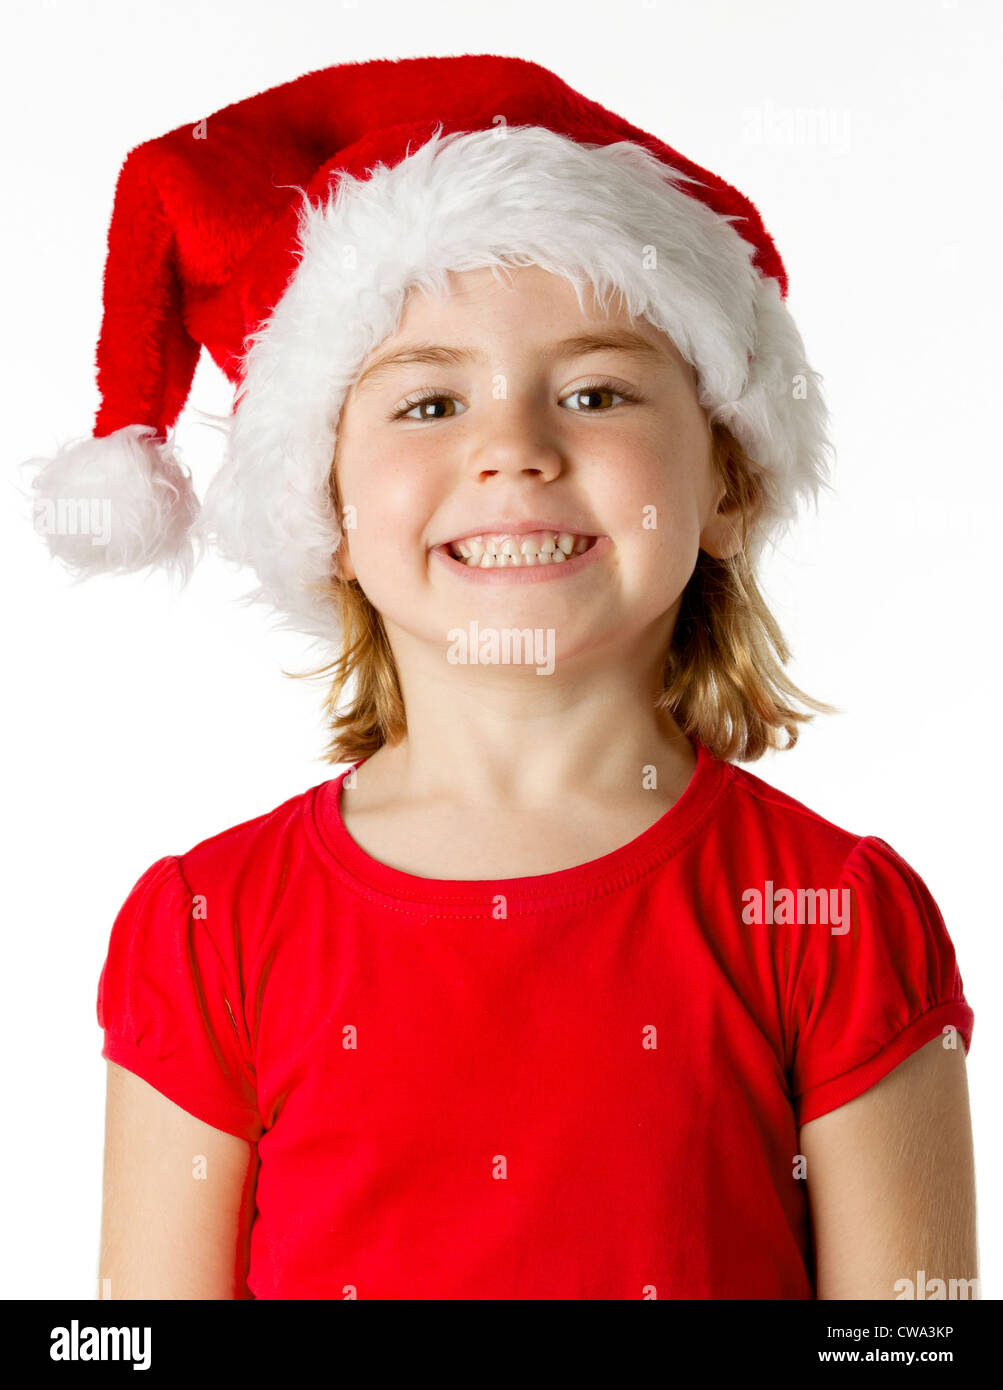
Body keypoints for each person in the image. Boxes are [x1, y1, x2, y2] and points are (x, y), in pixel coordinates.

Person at [25, 54, 977, 1300]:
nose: (513, 451)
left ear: (729, 484)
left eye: (595, 391)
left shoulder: (831, 919)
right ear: (323, 503)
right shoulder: (210, 932)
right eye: (427, 404)